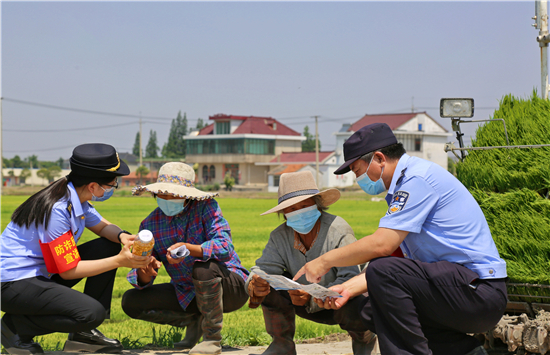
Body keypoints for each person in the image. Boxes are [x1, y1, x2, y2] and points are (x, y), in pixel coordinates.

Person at [295, 123, 508, 355]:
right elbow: (396, 264)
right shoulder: (405, 185)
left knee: (381, 271)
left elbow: (382, 246)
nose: (357, 178)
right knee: (370, 308)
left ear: (379, 158)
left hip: (479, 292)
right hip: (459, 289)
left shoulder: (416, 180)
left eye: (357, 170)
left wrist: (323, 262)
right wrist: (344, 290)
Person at [0, 143, 150, 355]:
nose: (114, 186)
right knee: (90, 313)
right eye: (112, 183)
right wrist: (120, 261)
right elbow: (68, 271)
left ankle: (84, 335)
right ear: (92, 186)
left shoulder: (75, 196)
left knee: (108, 245)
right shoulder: (57, 210)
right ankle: (14, 328)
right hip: (12, 283)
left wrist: (123, 237)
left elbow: (102, 226)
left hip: (39, 275)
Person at [121, 162, 249, 355]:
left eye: (174, 194)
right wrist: (145, 271)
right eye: (162, 194)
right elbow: (141, 276)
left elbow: (225, 247)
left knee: (203, 268)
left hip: (229, 286)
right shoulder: (150, 223)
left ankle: (212, 338)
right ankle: (193, 321)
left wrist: (190, 249)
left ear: (188, 196)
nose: (167, 199)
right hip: (187, 292)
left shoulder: (206, 207)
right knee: (131, 301)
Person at [246, 171, 377, 355]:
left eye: (304, 205)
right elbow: (262, 269)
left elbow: (350, 278)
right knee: (268, 281)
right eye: (292, 208)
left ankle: (364, 338)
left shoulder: (338, 229)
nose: (298, 212)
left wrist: (311, 296)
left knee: (353, 301)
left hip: (342, 302)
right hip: (300, 301)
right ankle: (281, 344)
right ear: (284, 213)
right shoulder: (279, 236)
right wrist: (254, 283)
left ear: (317, 205)